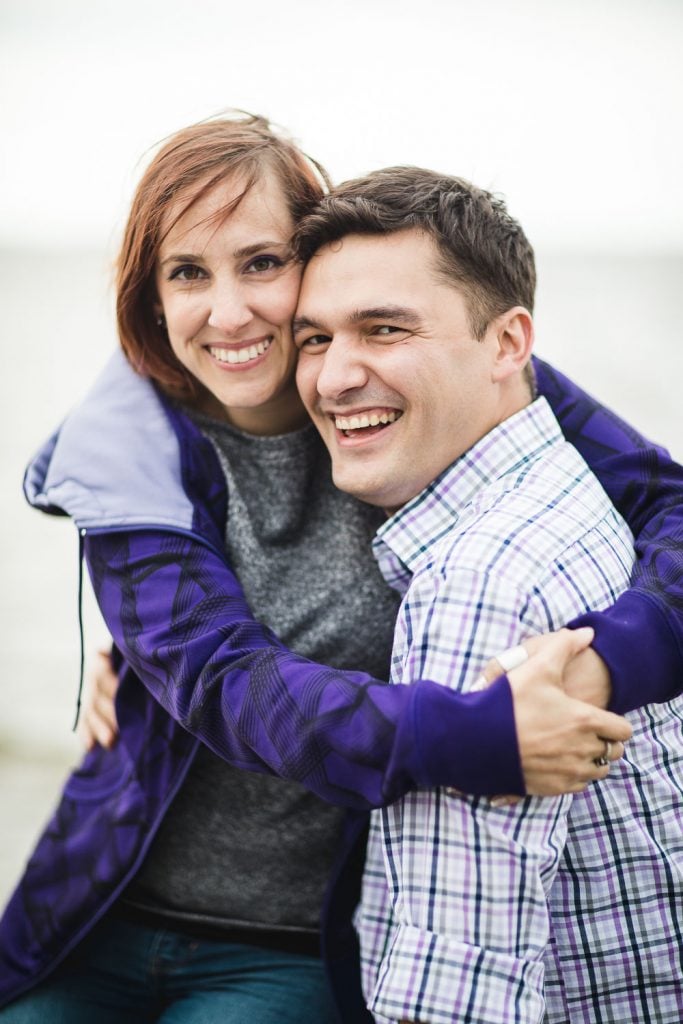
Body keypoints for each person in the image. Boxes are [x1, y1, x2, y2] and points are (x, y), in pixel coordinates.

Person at [0, 113, 680, 1022]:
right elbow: (222, 681)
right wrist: (473, 733)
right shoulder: (126, 457)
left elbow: (666, 504)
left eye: (261, 262)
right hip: (98, 907)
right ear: (151, 300)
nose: (229, 310)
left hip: (291, 942)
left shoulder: (422, 387)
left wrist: (607, 658)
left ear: (312, 260)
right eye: (186, 272)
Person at [291, 166, 683, 1022]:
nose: (331, 378)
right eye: (314, 338)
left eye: (383, 329)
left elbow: (453, 989)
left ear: (508, 344)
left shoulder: (478, 587)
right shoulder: (575, 490)